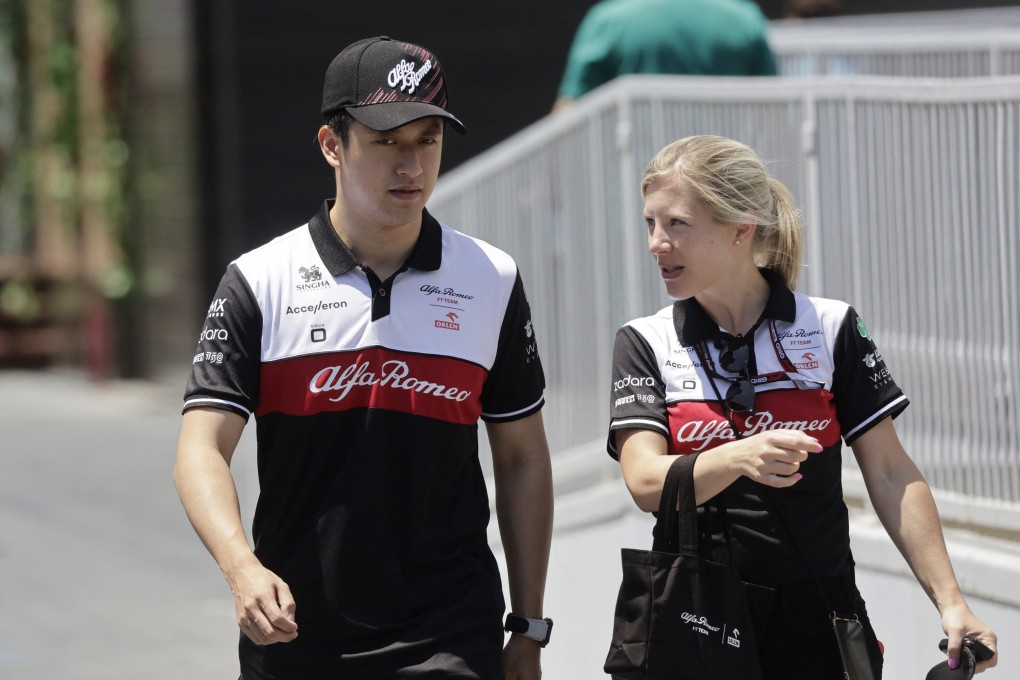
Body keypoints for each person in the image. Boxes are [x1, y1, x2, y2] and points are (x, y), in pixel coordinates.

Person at [174, 36, 554, 680]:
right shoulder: (259, 279)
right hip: (297, 637)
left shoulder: (491, 276)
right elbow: (200, 448)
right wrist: (243, 569)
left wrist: (528, 625)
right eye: (386, 141)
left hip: (452, 634)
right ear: (332, 145)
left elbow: (522, 457)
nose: (411, 165)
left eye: (427, 140)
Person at [606, 134, 998, 678]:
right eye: (650, 223)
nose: (656, 242)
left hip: (820, 615)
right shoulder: (644, 340)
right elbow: (645, 482)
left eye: (676, 224)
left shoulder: (830, 325)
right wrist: (739, 456)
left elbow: (889, 471)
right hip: (698, 615)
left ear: (741, 229)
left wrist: (951, 601)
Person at [553, 0, 778, 112]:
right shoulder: (745, 17)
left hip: (637, 182)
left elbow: (569, 110)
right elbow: (775, 108)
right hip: (728, 186)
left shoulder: (608, 20)